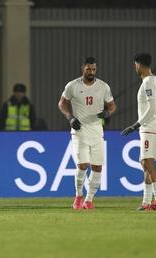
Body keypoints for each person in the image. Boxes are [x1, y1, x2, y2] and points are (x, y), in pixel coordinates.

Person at [58, 57, 116, 210]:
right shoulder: (73, 86)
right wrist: (70, 118)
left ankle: (89, 200)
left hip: (97, 132)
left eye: (94, 70)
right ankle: (78, 196)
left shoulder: (103, 87)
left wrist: (108, 114)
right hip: (79, 131)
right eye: (88, 69)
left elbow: (112, 106)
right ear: (82, 68)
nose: (91, 72)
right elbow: (62, 103)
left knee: (97, 167)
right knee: (82, 165)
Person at [121, 53, 156, 211]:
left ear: (139, 65)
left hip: (150, 128)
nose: (135, 67)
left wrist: (136, 124)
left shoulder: (148, 82)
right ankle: (147, 202)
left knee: (148, 162)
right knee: (144, 163)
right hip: (153, 127)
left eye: (135, 65)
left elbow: (153, 108)